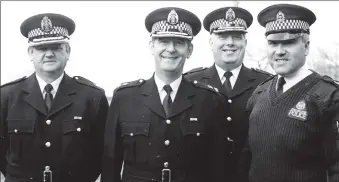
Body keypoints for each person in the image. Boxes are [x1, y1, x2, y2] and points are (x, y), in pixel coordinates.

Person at [101, 7, 227, 182]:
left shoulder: (209, 100)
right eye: (164, 41)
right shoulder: (124, 98)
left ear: (189, 50)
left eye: (179, 43)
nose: (171, 49)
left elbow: (218, 168)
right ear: (152, 46)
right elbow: (110, 164)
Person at [246, 4, 339, 182]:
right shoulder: (259, 93)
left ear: (306, 46)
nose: (279, 51)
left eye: (289, 42)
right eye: (273, 43)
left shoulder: (330, 98)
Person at [0, 13, 109, 182]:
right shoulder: (7, 96)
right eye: (42, 48)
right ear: (31, 53)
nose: (49, 54)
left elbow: (100, 153)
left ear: (67, 51)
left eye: (56, 47)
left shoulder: (92, 97)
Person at [184, 6, 272, 182]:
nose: (230, 42)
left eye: (237, 37)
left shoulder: (266, 84)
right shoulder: (189, 83)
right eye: (222, 36)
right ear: (210, 42)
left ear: (245, 42)